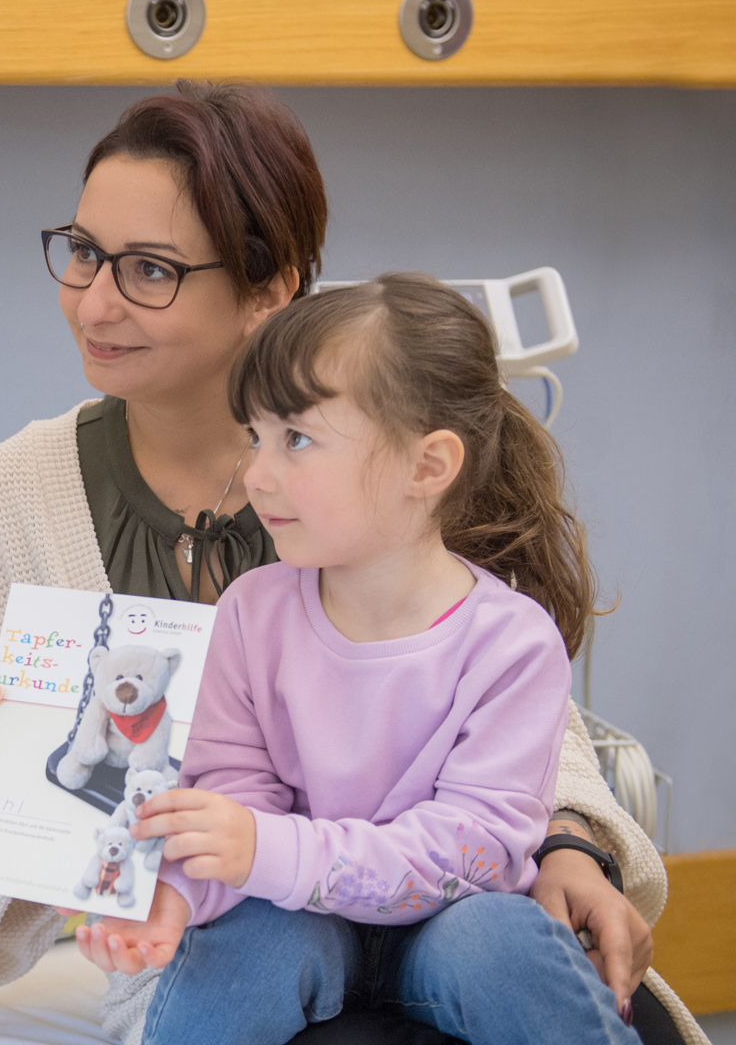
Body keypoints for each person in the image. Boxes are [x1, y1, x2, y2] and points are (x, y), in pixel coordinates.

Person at [0, 82, 702, 1045]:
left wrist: (571, 844)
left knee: (515, 968)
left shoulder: (394, 457)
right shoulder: (26, 495)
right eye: (82, 253)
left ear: (269, 292)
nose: (94, 300)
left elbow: (519, 756)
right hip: (243, 927)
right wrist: (137, 875)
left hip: (464, 915)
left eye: (149, 269)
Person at [120, 272, 625, 1043]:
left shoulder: (513, 643)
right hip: (296, 921)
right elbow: (234, 807)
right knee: (246, 944)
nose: (256, 473)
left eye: (296, 438)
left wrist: (270, 850)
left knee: (498, 942)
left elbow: (478, 850)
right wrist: (175, 899)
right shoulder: (249, 617)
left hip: (453, 926)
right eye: (254, 437)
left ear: (427, 467)